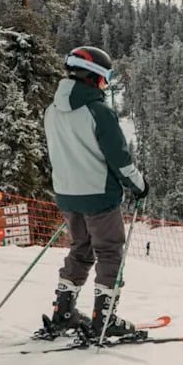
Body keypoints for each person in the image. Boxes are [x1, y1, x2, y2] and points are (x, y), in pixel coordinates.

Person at [44, 46, 149, 336]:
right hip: (99, 195)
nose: (104, 85)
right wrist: (139, 185)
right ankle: (105, 319)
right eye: (104, 78)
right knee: (109, 252)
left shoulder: (51, 110)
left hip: (67, 194)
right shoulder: (98, 112)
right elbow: (119, 158)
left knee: (80, 249)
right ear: (93, 77)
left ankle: (63, 311)